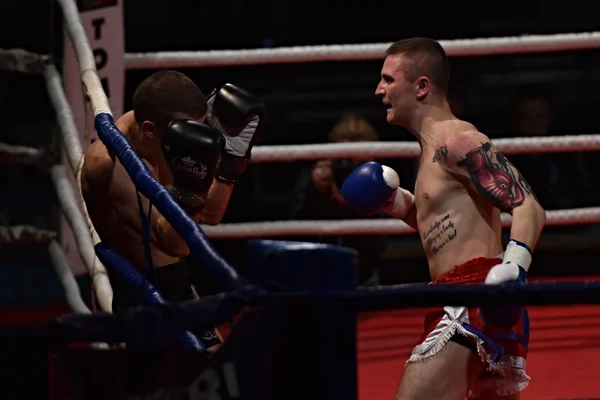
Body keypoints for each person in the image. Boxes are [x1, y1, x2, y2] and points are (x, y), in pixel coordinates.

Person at [341, 38, 546, 399]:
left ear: (421, 86)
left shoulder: (459, 140)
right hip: (472, 293)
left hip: (474, 297)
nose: (379, 90)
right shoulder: (432, 150)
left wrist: (514, 272)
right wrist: (398, 204)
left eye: (388, 79)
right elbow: (444, 228)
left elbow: (529, 207)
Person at [80, 70, 265, 350]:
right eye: (190, 129)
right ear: (151, 129)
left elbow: (211, 214)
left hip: (178, 281)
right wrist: (191, 190)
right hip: (146, 292)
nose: (194, 136)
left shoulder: (166, 134)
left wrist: (230, 165)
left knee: (219, 375)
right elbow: (176, 243)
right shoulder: (110, 165)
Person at [290, 114, 388, 286]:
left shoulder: (379, 177)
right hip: (318, 270)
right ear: (332, 153)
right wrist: (316, 191)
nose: (350, 164)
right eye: (346, 158)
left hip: (365, 272)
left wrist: (367, 186)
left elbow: (380, 238)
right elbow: (295, 224)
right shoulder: (316, 176)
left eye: (359, 157)